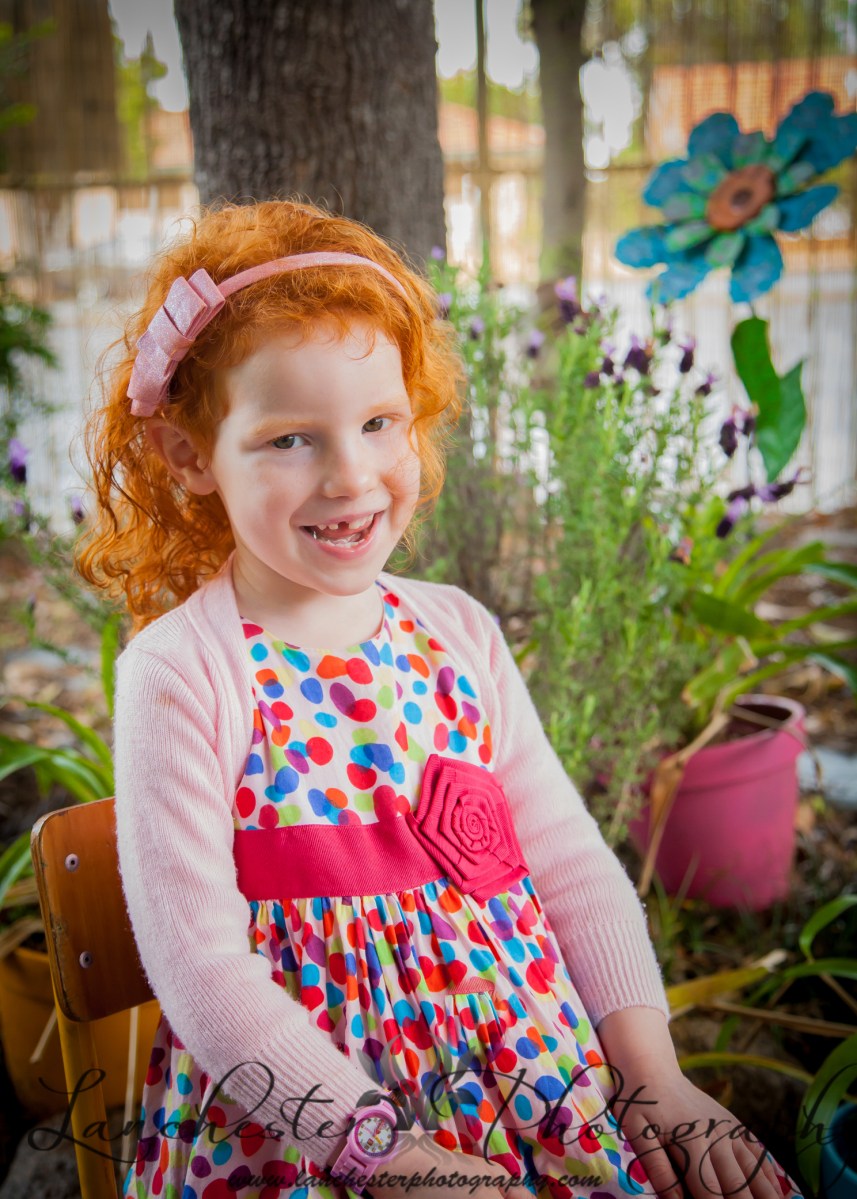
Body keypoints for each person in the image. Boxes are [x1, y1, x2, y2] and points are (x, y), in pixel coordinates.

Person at [77, 200, 801, 1199]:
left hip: (532, 1089)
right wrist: (392, 1158)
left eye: (379, 423)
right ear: (189, 455)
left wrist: (654, 1078)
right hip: (311, 1135)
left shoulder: (455, 633)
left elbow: (572, 868)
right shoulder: (185, 671)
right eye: (290, 439)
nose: (352, 475)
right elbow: (204, 970)